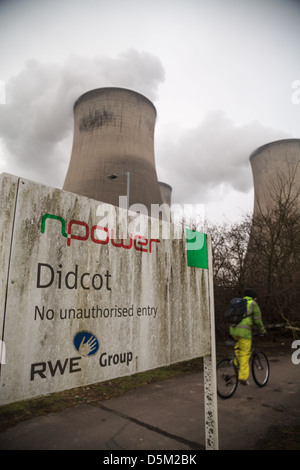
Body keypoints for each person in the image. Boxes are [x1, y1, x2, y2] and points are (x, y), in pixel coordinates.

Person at [230, 289, 266, 385]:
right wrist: (263, 331)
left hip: (233, 330)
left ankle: (234, 365)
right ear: (254, 297)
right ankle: (243, 377)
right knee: (245, 353)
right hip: (244, 332)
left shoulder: (239, 303)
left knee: (238, 349)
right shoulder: (253, 304)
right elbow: (258, 321)